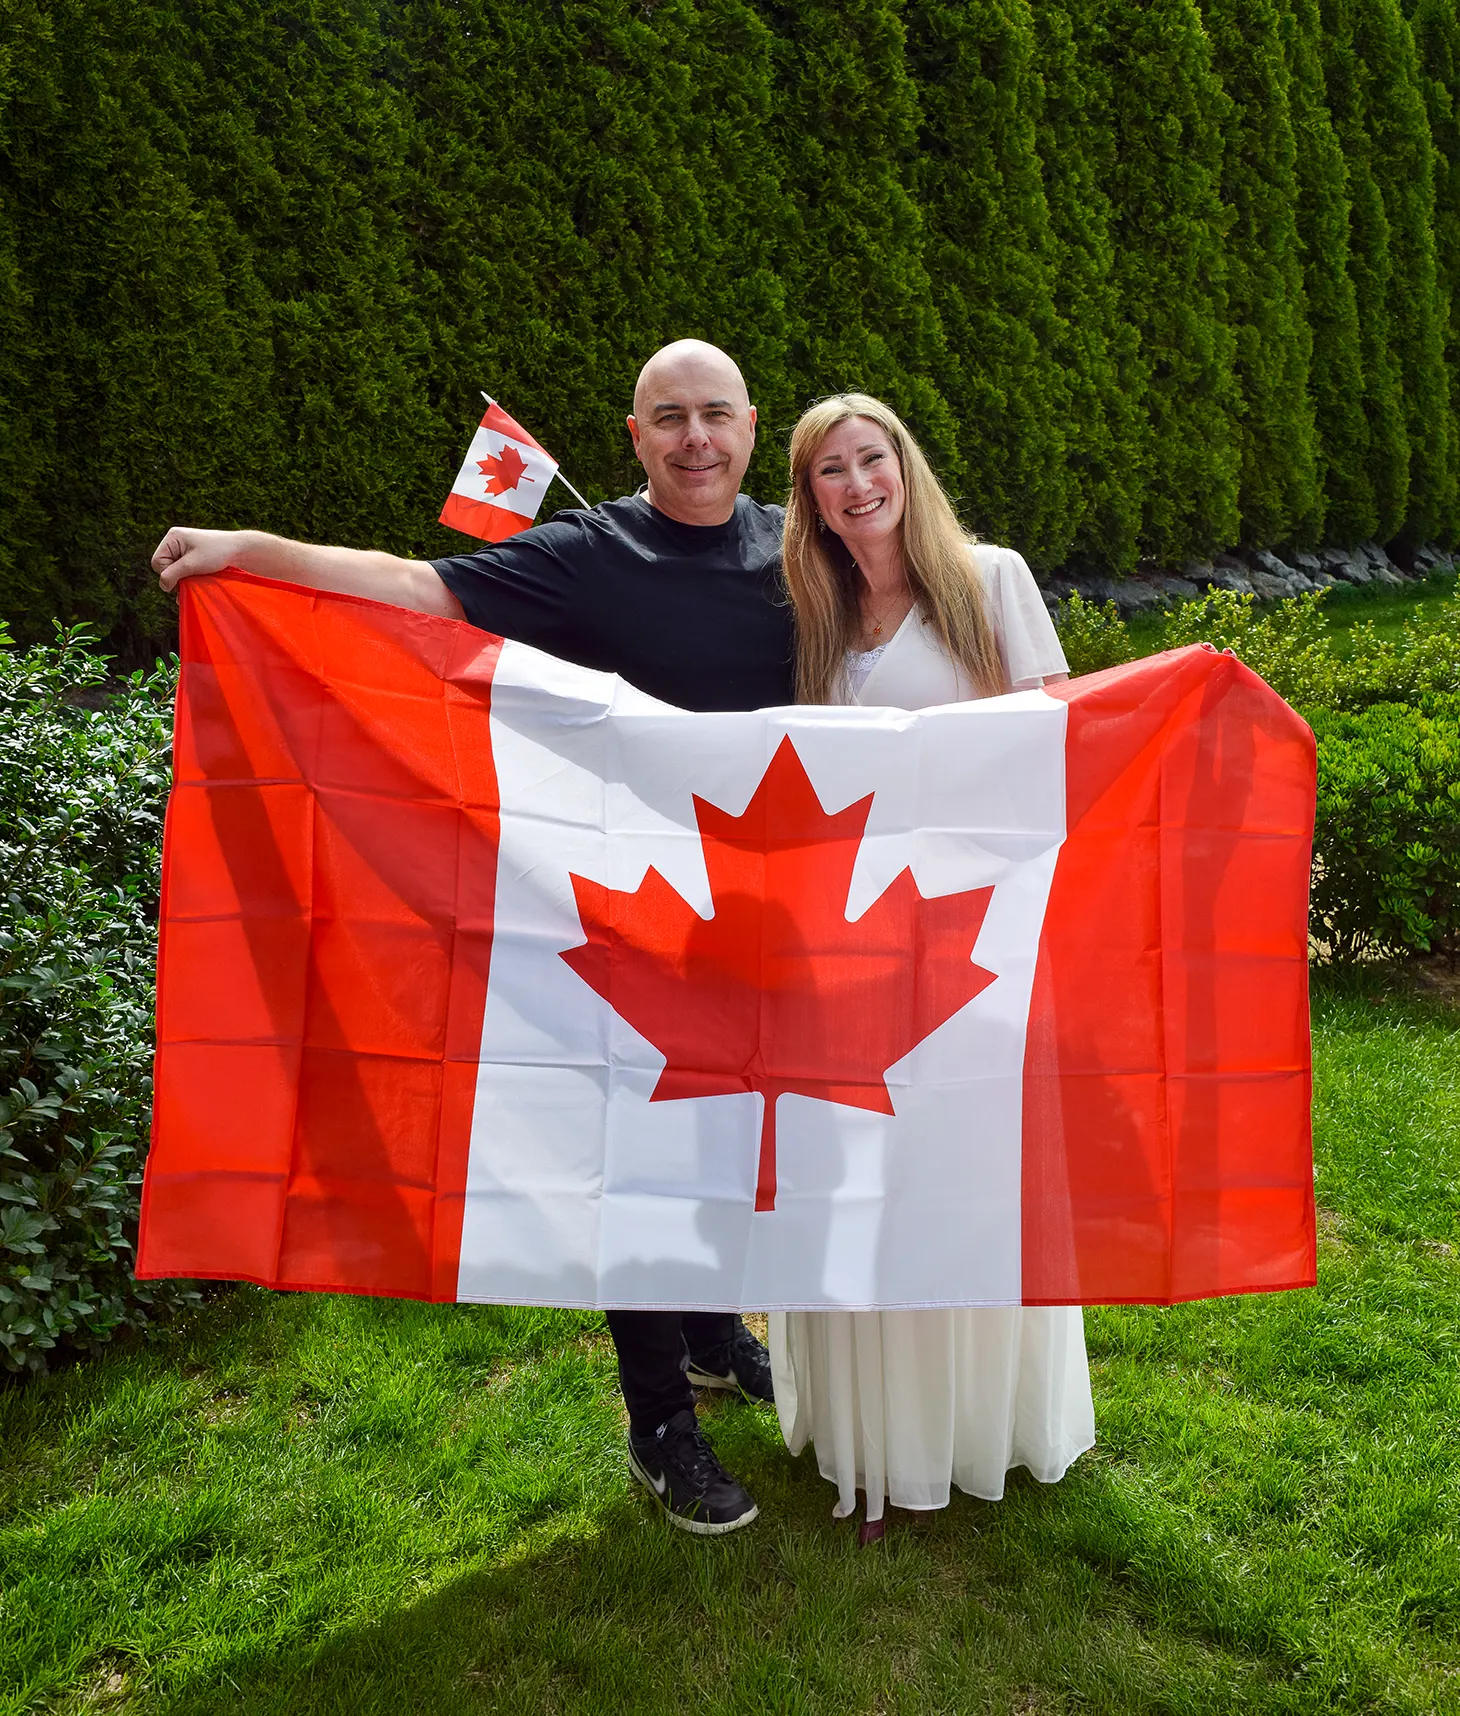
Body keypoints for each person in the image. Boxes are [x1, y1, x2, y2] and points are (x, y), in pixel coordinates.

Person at [153, 339, 787, 1537]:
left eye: (715, 415)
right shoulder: (592, 553)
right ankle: (661, 1421)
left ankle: (712, 1335)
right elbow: (413, 586)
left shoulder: (788, 542)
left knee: (720, 1141)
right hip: (623, 916)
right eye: (669, 419)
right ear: (633, 434)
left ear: (752, 425)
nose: (694, 438)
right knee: (642, 1158)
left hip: (759, 915)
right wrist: (254, 554)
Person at [772, 392, 1096, 1537]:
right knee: (856, 1179)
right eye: (828, 472)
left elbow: (1046, 748)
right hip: (845, 944)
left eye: (872, 459)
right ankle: (873, 1437)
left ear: (904, 466)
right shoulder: (812, 614)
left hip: (968, 939)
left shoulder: (988, 578)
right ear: (806, 501)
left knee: (960, 1179)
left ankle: (968, 1429)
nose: (856, 485)